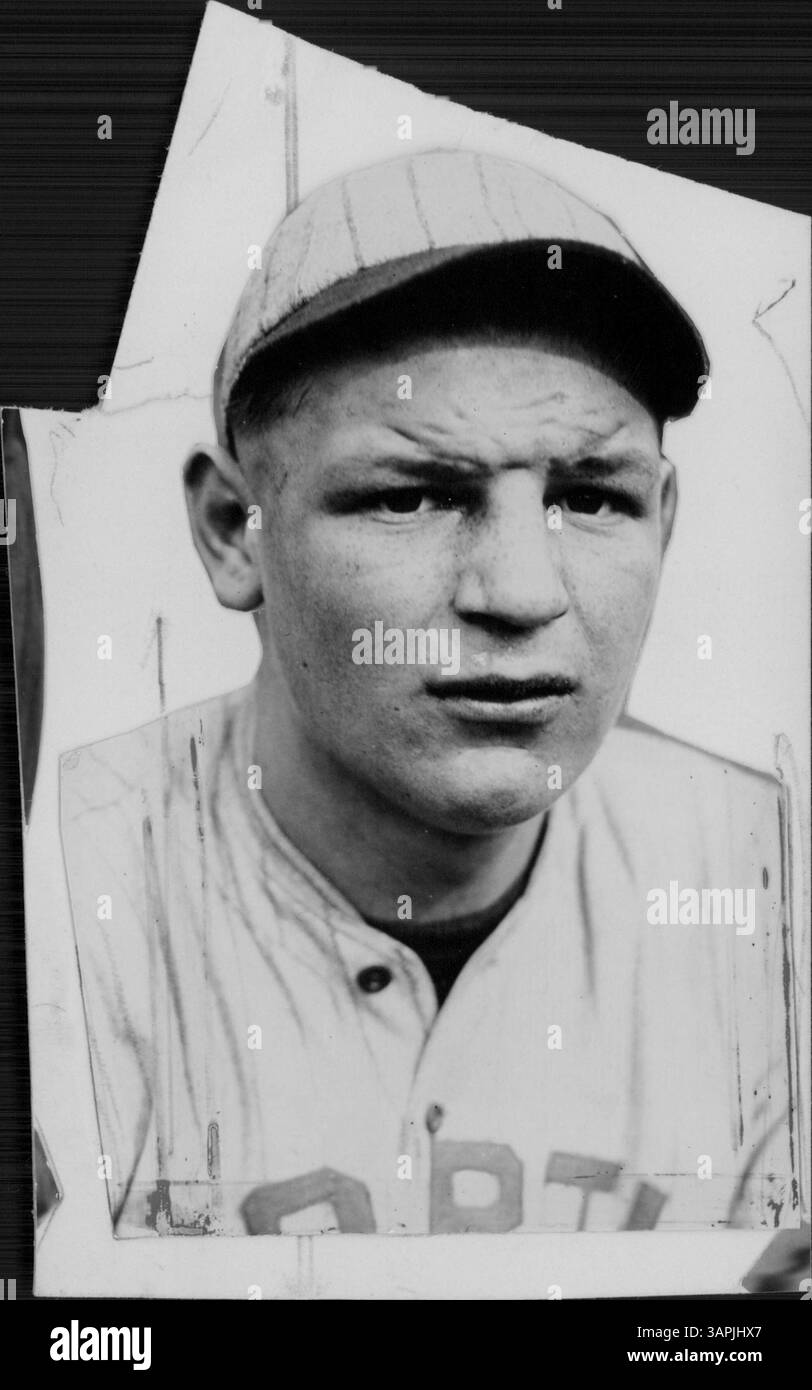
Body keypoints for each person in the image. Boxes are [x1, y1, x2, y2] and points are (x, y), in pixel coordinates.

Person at [60, 149, 803, 1238]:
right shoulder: (60, 893)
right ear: (233, 531)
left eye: (592, 498)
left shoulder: (776, 897)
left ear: (667, 521)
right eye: (411, 496)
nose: (522, 591)